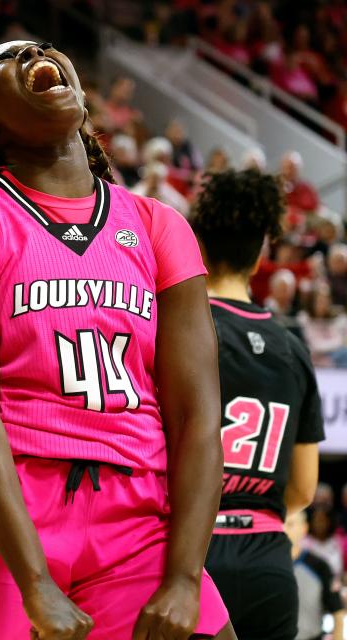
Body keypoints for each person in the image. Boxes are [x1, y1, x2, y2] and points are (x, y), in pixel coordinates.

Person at [0, 40, 233, 639]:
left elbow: (198, 418)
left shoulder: (159, 226)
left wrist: (185, 577)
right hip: (0, 518)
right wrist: (34, 581)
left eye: (42, 47)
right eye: (8, 60)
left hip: (136, 518)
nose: (34, 52)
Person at [194, 169, 324, 640]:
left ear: (198, 240)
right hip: (268, 560)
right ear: (262, 249)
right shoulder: (293, 348)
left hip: (192, 555)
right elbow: (303, 491)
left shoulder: (179, 327)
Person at [285, 510, 346, 640]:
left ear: (304, 528)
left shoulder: (320, 566)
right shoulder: (265, 567)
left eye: (290, 524)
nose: (284, 529)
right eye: (281, 524)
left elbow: (337, 611)